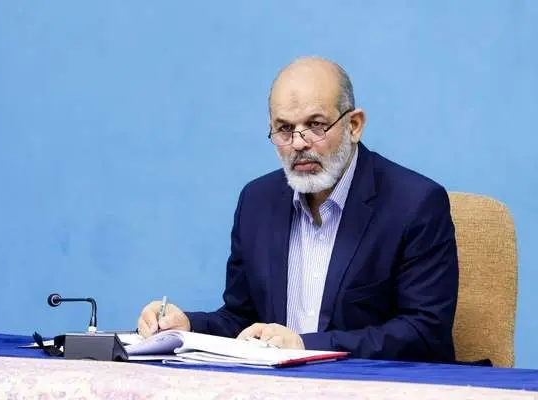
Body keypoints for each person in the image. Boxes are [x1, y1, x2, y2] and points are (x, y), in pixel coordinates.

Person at [137, 56, 459, 363]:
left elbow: (424, 332)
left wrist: (306, 347)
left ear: (354, 125)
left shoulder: (415, 203)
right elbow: (242, 319)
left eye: (316, 125)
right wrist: (186, 327)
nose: (298, 143)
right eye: (284, 129)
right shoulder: (256, 202)